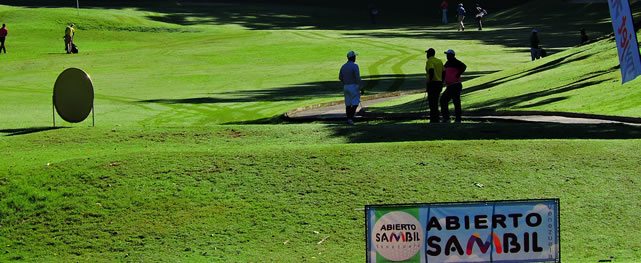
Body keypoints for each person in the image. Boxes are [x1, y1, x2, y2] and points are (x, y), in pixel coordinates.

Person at [440, 49, 467, 123]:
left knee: (455, 102)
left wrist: (458, 74)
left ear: (452, 55)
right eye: (446, 55)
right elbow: (444, 71)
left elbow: (464, 66)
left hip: (455, 85)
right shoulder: (447, 63)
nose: (447, 56)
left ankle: (456, 119)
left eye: (448, 55)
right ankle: (447, 118)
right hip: (450, 85)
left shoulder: (455, 61)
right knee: (444, 100)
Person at [339, 51, 362, 125]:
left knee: (348, 104)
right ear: (352, 57)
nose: (355, 58)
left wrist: (345, 82)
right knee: (355, 103)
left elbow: (340, 77)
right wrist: (360, 87)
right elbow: (357, 78)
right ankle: (350, 118)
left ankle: (348, 118)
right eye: (354, 56)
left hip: (346, 86)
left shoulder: (343, 66)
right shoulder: (355, 66)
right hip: (353, 86)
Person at [425, 48, 445, 123]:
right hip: (439, 83)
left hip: (432, 83)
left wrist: (429, 82)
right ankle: (436, 118)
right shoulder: (439, 61)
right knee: (436, 101)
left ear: (429, 54)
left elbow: (431, 70)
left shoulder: (429, 61)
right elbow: (444, 72)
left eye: (427, 53)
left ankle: (433, 119)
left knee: (431, 102)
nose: (426, 55)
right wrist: (442, 81)